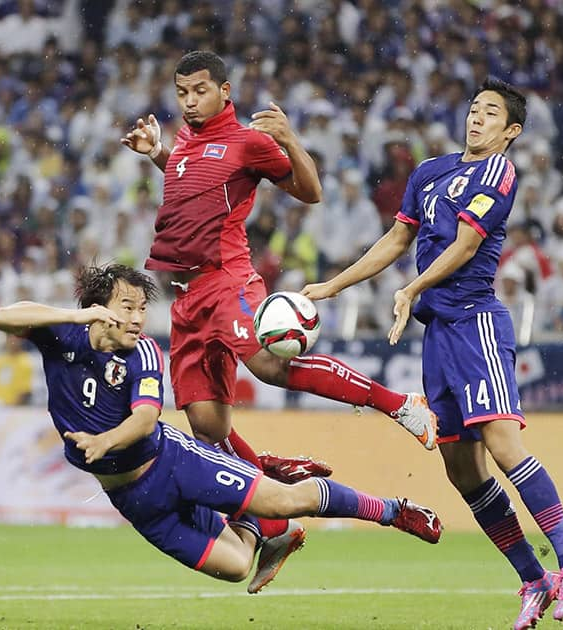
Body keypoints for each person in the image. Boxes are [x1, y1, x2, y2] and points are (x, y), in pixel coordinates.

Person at [303, 78, 563, 630]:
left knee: (502, 442)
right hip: (438, 333)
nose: (477, 118)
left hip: (476, 320)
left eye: (491, 114)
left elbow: (465, 245)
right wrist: (334, 286)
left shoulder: (498, 173)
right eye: (474, 109)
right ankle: (532, 578)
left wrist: (412, 289)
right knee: (461, 468)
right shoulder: (429, 172)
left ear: (511, 132)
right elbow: (396, 241)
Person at [120, 51, 438, 548]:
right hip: (184, 299)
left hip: (227, 280)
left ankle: (400, 404)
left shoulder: (246, 142)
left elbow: (310, 191)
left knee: (269, 366)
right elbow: (194, 185)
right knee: (207, 429)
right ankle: (274, 521)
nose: (189, 101)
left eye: (200, 91)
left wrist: (289, 138)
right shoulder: (185, 141)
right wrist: (159, 153)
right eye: (182, 93)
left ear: (225, 91)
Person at [0, 263, 442, 595]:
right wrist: (72, 317)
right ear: (98, 309)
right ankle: (255, 496)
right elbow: (5, 316)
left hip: (172, 462)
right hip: (132, 498)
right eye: (126, 308)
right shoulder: (62, 337)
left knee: (287, 499)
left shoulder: (143, 353)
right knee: (235, 567)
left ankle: (392, 510)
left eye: (142, 308)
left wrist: (104, 441)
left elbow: (146, 419)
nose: (136, 318)